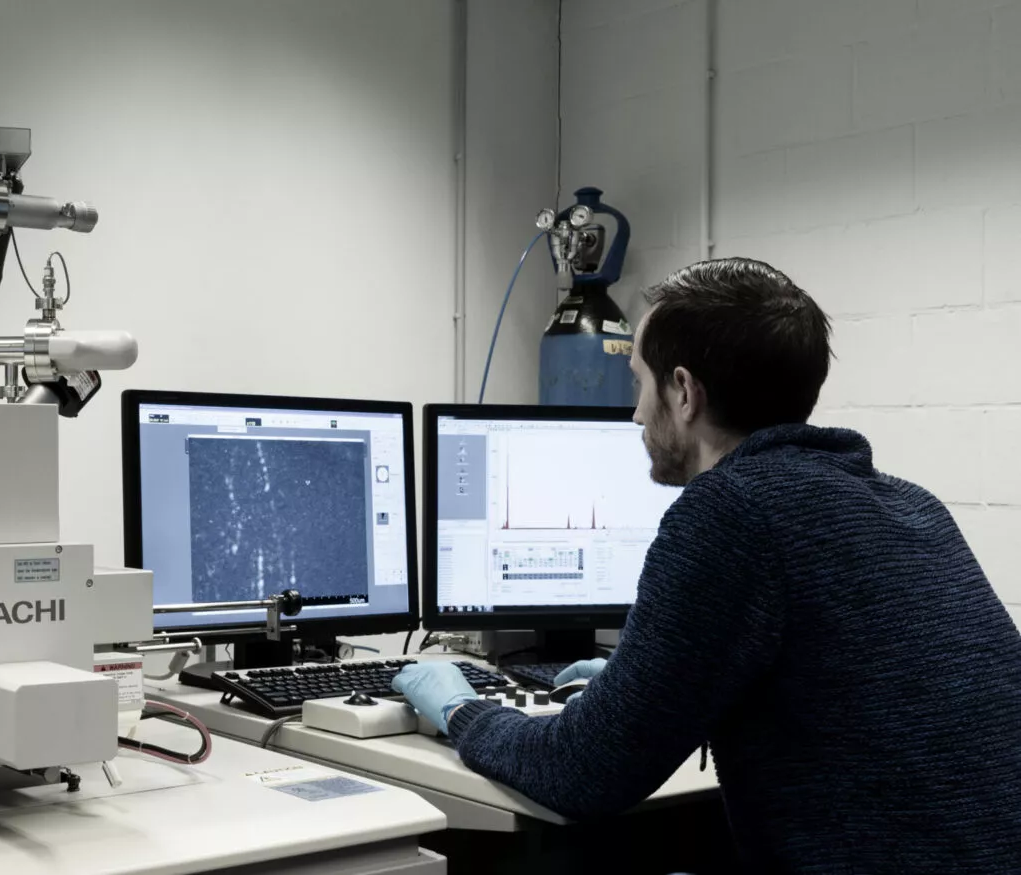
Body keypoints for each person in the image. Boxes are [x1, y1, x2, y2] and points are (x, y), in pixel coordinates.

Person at [394, 257, 1021, 873]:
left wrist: (460, 708)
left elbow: (581, 774)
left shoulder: (733, 508)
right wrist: (638, 682)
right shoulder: (910, 502)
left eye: (639, 383)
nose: (636, 413)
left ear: (685, 392)